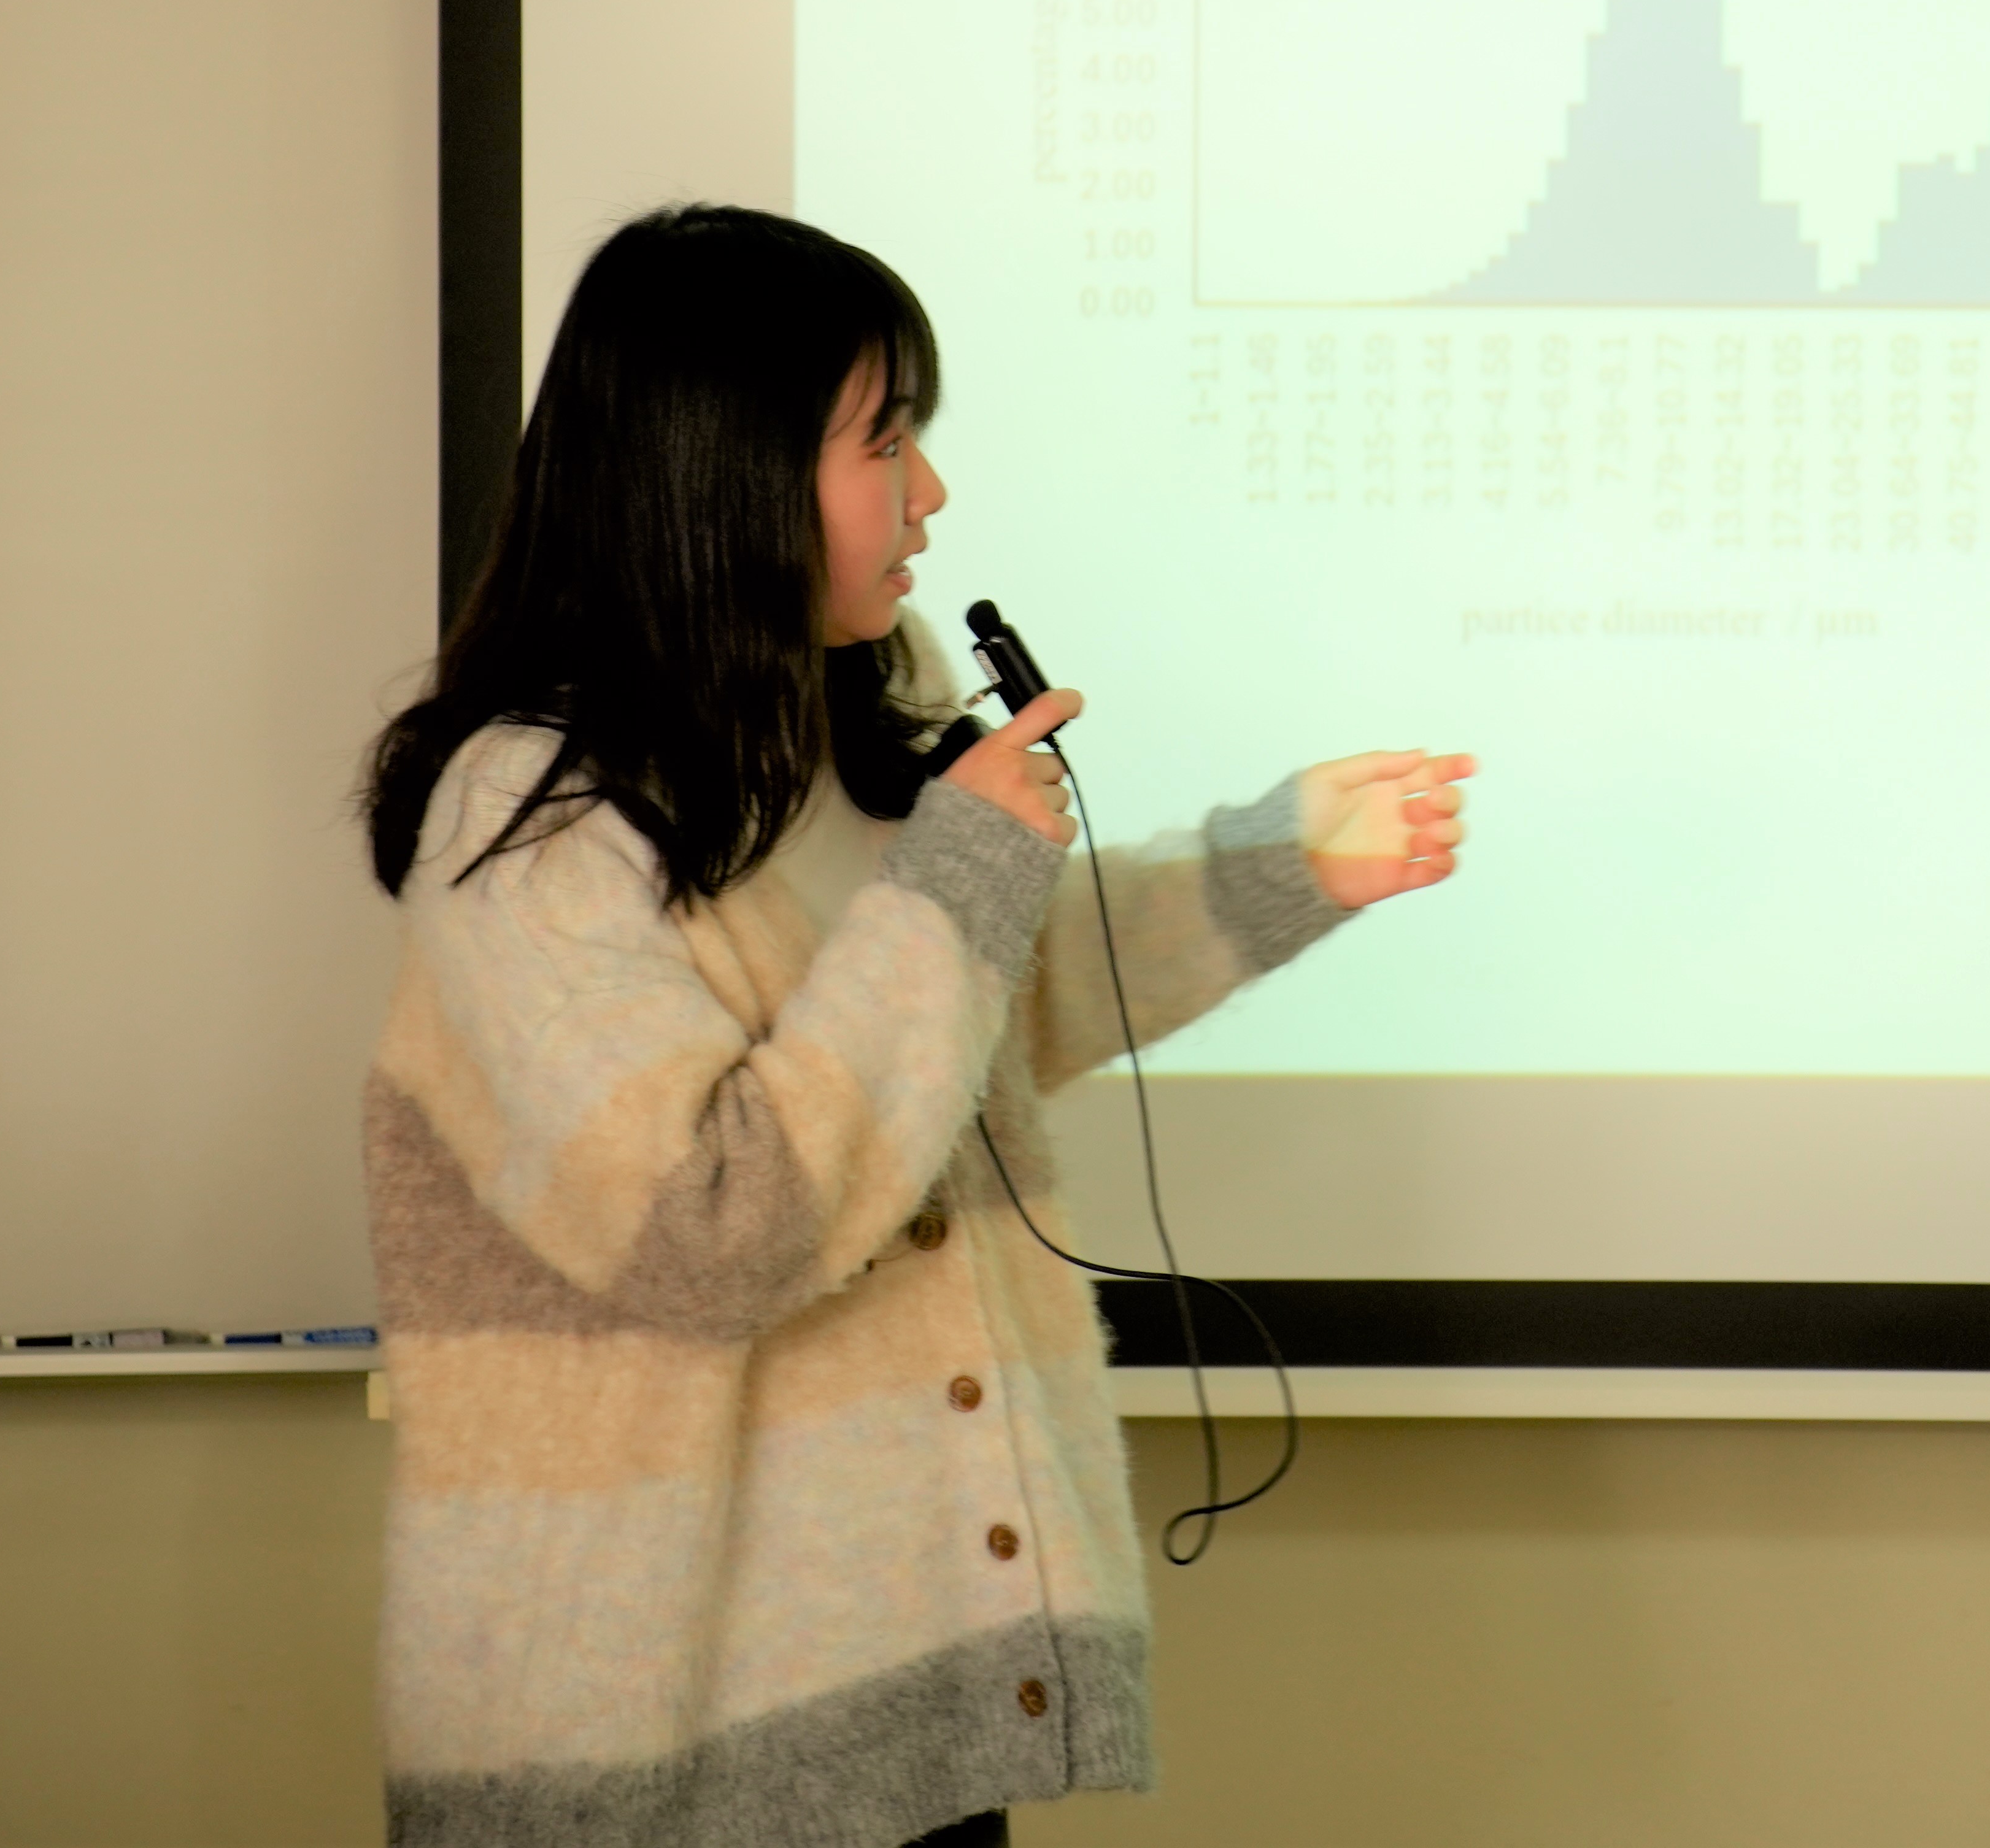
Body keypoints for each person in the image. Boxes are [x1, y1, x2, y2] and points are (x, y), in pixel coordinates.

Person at [357, 205, 1471, 1848]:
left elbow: (974, 1020)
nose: (929, 493)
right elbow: (708, 1228)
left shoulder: (850, 721)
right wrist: (959, 876)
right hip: (664, 1755)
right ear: (721, 472)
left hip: (913, 1695)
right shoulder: (529, 813)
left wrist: (1281, 869)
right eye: (884, 440)